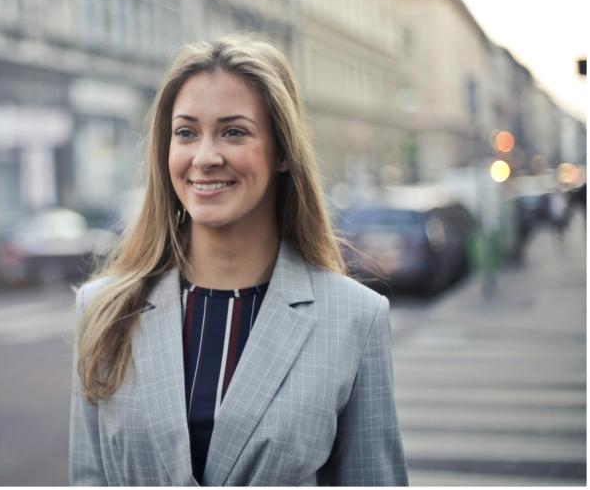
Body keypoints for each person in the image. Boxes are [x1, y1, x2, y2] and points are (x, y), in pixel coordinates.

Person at [69, 33, 408, 486]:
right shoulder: (103, 309)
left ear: (283, 152)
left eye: (234, 131)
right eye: (186, 133)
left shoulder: (354, 317)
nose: (205, 157)